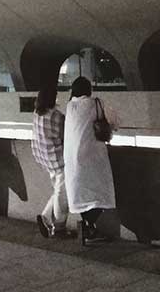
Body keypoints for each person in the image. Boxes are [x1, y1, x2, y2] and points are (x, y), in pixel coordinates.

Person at [63, 77, 119, 245]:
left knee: (81, 195)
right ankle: (89, 227)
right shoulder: (96, 103)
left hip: (72, 157)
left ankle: (88, 227)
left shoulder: (69, 106)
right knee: (101, 193)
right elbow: (114, 121)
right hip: (93, 156)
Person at [31, 86, 75, 239]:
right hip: (59, 159)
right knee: (62, 194)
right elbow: (67, 136)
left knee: (58, 191)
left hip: (46, 159)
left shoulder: (36, 114)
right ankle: (59, 228)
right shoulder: (57, 116)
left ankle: (45, 217)